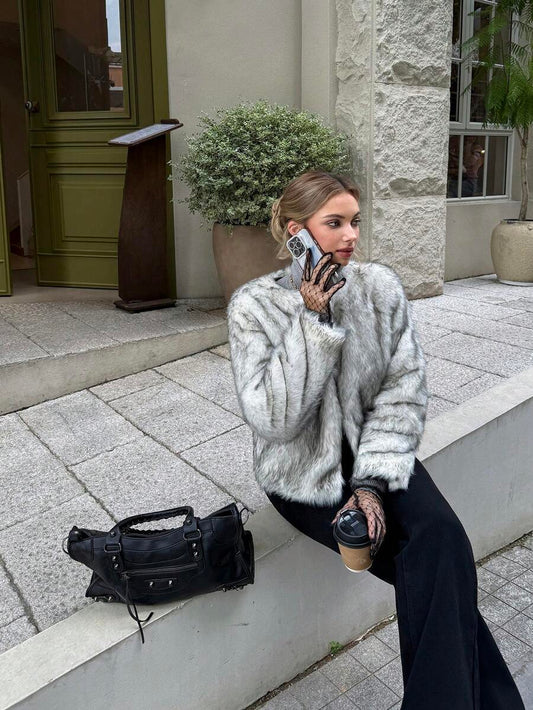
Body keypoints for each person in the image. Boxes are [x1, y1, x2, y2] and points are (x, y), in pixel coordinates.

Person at [226, 170, 525, 709]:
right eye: (334, 223)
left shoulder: (378, 289)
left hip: (376, 453)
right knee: (434, 578)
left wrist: (369, 484)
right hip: (302, 470)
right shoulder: (254, 306)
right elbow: (274, 421)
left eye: (355, 222)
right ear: (297, 232)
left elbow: (401, 391)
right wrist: (312, 323)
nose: (351, 236)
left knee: (443, 541)